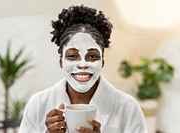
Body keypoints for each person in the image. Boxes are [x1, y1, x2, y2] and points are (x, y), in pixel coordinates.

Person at [19, 5, 147, 133]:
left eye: (92, 56)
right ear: (61, 61)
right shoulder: (38, 104)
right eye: (72, 56)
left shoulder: (128, 107)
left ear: (102, 61)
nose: (82, 64)